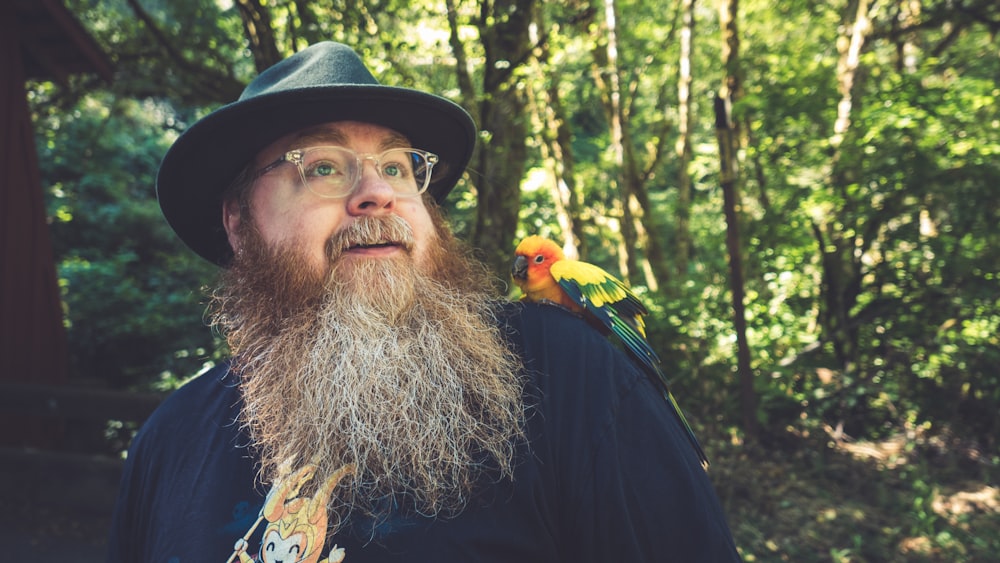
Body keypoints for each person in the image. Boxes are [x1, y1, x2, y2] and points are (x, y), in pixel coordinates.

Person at [106, 41, 742, 563]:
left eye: (400, 166)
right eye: (323, 167)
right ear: (239, 224)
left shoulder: (571, 376)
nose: (376, 192)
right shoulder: (169, 439)